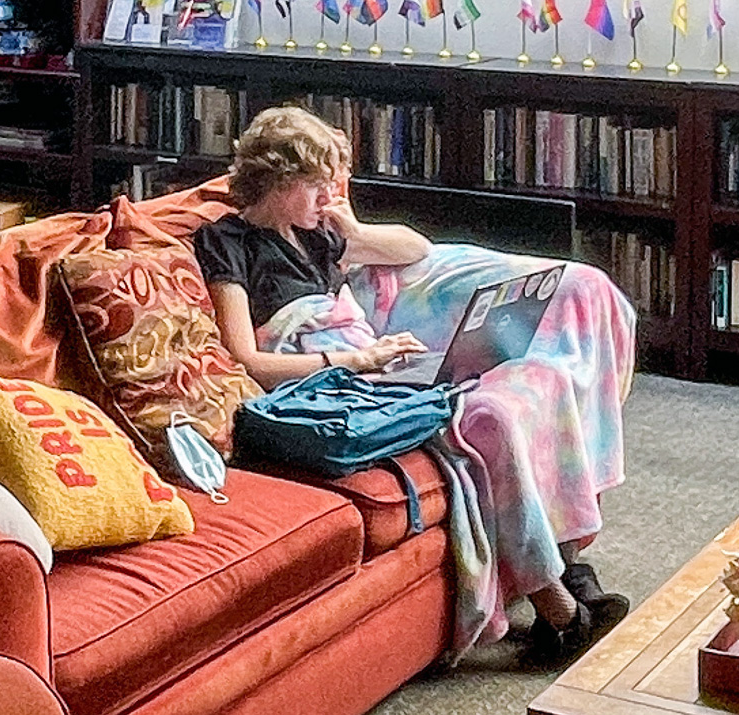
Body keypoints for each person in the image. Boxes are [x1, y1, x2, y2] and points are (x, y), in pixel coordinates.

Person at [193, 106, 632, 666]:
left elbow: (415, 250)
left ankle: (569, 576)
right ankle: (564, 615)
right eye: (316, 185)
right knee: (482, 428)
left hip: (369, 365)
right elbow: (248, 358)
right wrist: (355, 358)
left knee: (507, 404)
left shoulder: (316, 237)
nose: (327, 197)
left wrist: (350, 229)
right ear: (278, 182)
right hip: (325, 380)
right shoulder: (228, 242)